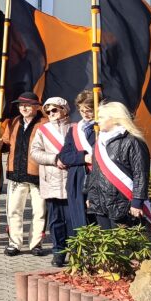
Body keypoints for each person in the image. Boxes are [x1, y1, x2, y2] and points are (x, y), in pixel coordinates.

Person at [0, 91, 48, 257]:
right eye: (21, 105)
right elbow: (7, 143)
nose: (24, 107)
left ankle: (36, 243)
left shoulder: (44, 124)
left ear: (37, 107)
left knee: (39, 211)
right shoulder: (14, 122)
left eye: (28, 104)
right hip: (16, 174)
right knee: (14, 210)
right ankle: (14, 243)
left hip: (38, 174)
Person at [85, 101, 150, 230]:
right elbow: (95, 174)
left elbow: (141, 174)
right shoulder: (99, 142)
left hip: (122, 203)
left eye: (102, 117)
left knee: (124, 246)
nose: (97, 121)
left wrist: (137, 202)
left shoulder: (133, 141)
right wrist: (90, 196)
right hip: (100, 203)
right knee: (106, 244)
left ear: (114, 119)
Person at [30, 97, 73, 268]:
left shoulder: (74, 128)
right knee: (55, 220)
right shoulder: (43, 130)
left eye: (54, 110)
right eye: (47, 111)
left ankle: (76, 250)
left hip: (71, 181)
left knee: (72, 220)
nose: (50, 114)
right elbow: (35, 152)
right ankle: (58, 252)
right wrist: (54, 158)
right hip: (51, 180)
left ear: (64, 109)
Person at [58, 90, 95, 232]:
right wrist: (82, 157)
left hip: (95, 178)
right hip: (77, 178)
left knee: (94, 219)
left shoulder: (102, 128)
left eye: (89, 110)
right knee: (79, 221)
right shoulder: (74, 130)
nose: (85, 114)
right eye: (81, 111)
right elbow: (64, 156)